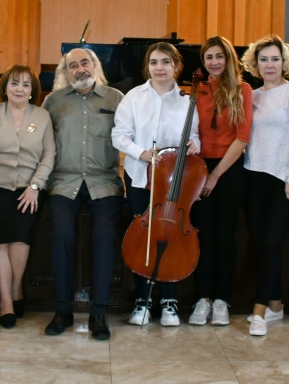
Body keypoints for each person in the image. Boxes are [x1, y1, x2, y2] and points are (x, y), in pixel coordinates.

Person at [112, 42, 201, 328]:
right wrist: (142, 153)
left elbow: (195, 137)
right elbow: (119, 135)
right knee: (145, 239)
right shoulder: (133, 98)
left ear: (176, 67)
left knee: (172, 238)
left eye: (165, 62)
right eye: (153, 62)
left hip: (175, 185)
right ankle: (143, 299)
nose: (159, 67)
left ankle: (169, 301)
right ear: (146, 67)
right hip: (141, 177)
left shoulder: (188, 101)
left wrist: (194, 143)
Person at [42, 47, 124, 341]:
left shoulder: (116, 98)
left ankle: (99, 312)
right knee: (61, 233)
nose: (80, 69)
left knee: (104, 234)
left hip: (105, 183)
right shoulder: (53, 102)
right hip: (63, 182)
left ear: (95, 65)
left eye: (84, 63)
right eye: (72, 65)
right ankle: (62, 309)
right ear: (65, 72)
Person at [0, 64, 55, 328]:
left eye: (26, 84)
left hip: (28, 190)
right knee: (1, 243)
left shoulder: (41, 117)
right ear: (5, 87)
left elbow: (49, 155)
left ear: (33, 91)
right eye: (14, 83)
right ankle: (6, 301)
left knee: (21, 239)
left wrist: (35, 186)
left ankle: (17, 286)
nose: (19, 89)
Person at [240, 35, 289, 337]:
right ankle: (276, 304)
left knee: (272, 243)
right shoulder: (252, 95)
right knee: (261, 244)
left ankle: (259, 311)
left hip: (283, 179)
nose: (270, 65)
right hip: (252, 176)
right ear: (255, 64)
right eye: (263, 59)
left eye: (275, 58)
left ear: (284, 61)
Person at [188, 36, 252, 327]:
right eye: (208, 57)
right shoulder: (197, 90)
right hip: (200, 169)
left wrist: (215, 175)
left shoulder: (243, 89)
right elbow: (191, 131)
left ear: (228, 59)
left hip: (229, 170)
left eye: (219, 56)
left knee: (225, 237)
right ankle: (202, 299)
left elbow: (242, 138)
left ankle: (222, 300)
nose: (213, 62)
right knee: (203, 236)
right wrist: (203, 171)